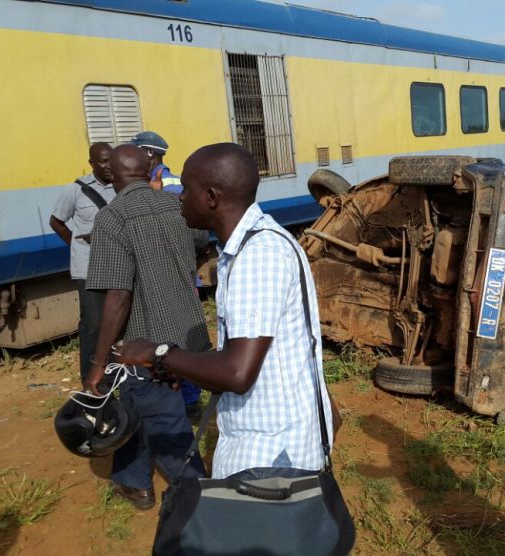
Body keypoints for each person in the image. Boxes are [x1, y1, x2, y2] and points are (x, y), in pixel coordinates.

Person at [114, 142, 338, 481]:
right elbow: (249, 358)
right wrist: (188, 368)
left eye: (186, 189)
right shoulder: (249, 247)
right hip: (270, 448)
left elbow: (236, 372)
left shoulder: (258, 255)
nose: (179, 197)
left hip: (271, 458)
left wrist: (157, 353)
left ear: (211, 197)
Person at [84, 144, 210, 510]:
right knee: (135, 406)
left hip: (146, 337)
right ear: (149, 167)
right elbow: (202, 241)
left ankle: (194, 490)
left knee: (162, 415)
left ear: (111, 175)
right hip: (188, 328)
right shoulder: (177, 204)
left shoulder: (112, 218)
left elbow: (118, 296)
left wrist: (97, 362)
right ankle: (133, 481)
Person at [130, 130, 204, 417]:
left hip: (176, 271)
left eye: (138, 154)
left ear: (149, 154)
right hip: (166, 271)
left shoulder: (171, 185)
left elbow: (183, 231)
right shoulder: (153, 184)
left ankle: (190, 399)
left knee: (182, 336)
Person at [49, 142, 116, 382]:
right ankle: (90, 378)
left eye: (112, 160)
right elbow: (56, 221)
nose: (109, 166)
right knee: (93, 324)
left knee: (119, 322)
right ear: (91, 164)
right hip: (88, 269)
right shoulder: (75, 190)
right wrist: (76, 245)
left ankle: (117, 373)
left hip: (118, 267)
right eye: (103, 161)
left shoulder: (122, 186)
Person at [130, 130, 184, 195]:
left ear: (150, 153)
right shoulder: (180, 181)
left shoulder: (151, 185)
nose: (132, 157)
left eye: (135, 152)